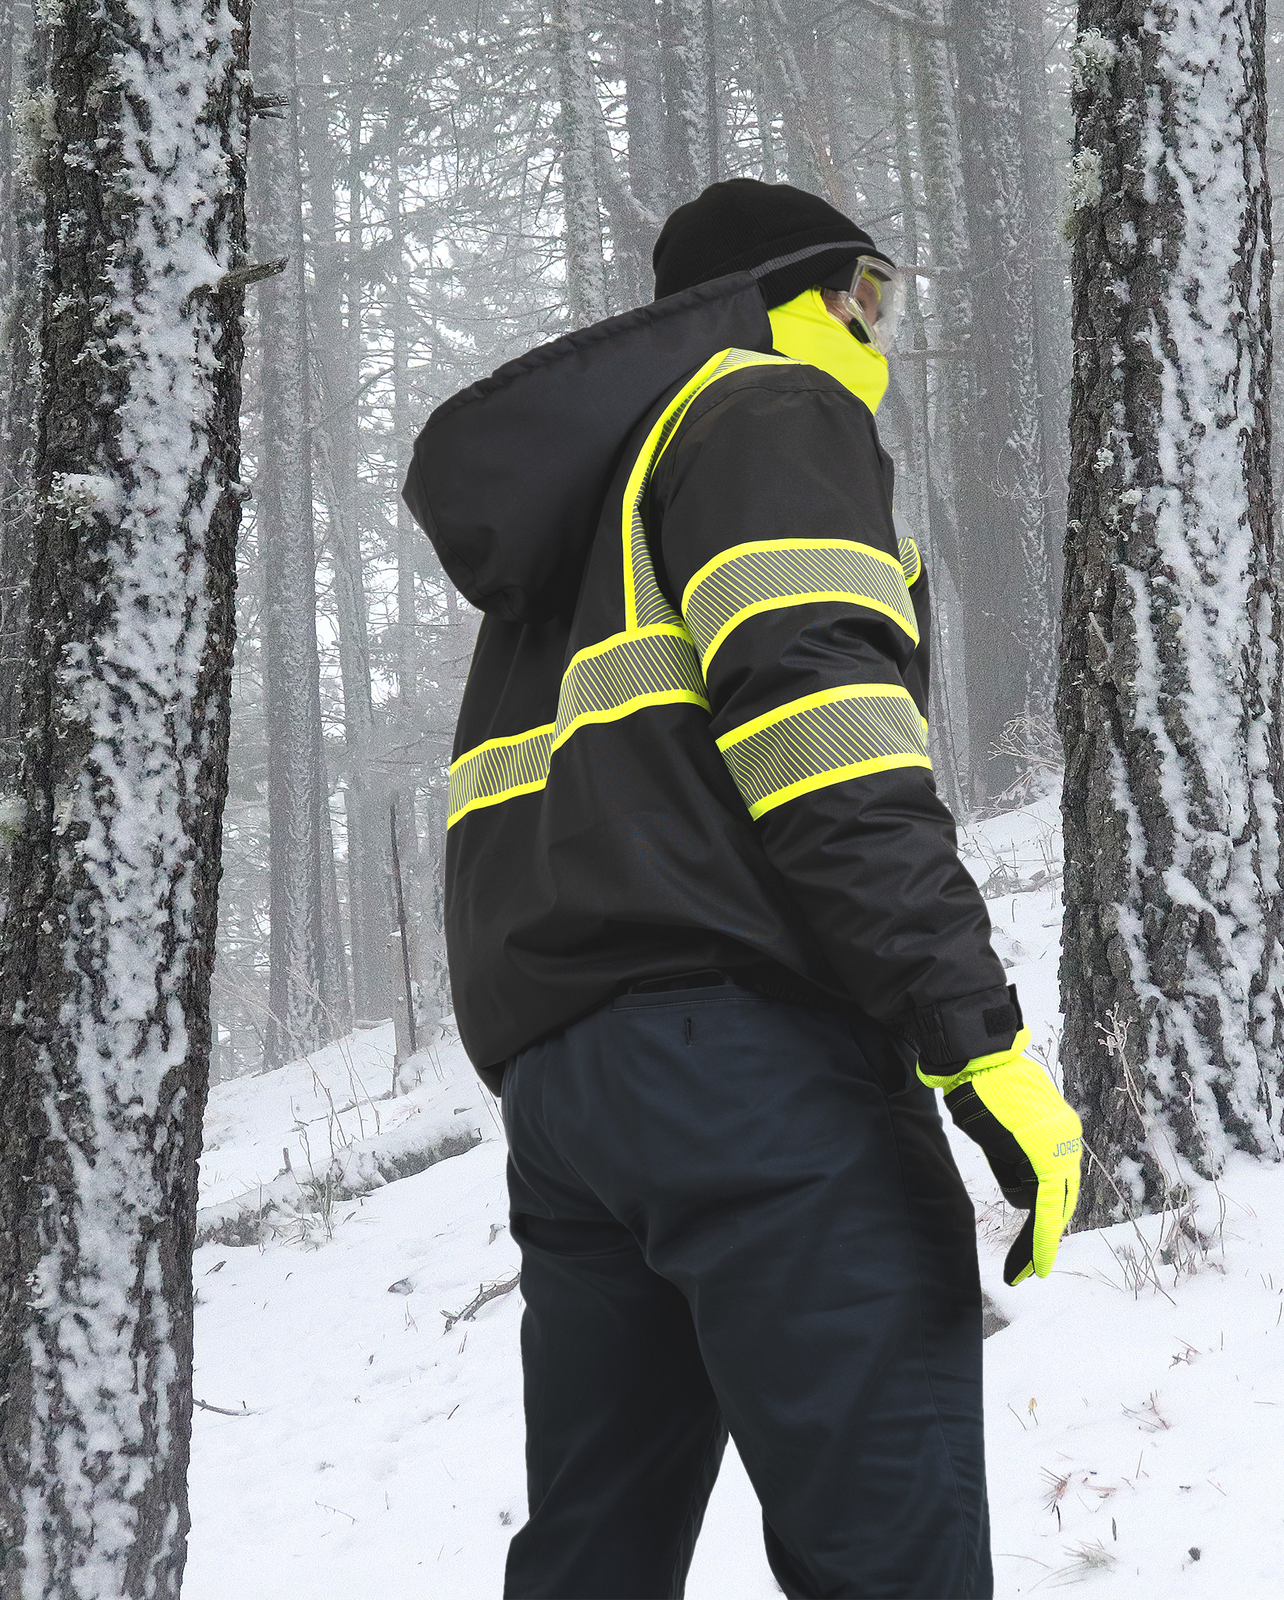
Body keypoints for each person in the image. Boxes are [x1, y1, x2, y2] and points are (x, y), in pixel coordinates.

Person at [404, 178, 1082, 1600]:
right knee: (889, 1559)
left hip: (574, 1102)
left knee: (593, 1559)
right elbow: (827, 745)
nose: (878, 332)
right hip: (756, 1078)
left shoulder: (586, 521)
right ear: (808, 291)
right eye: (873, 294)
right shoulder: (765, 412)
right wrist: (980, 1039)